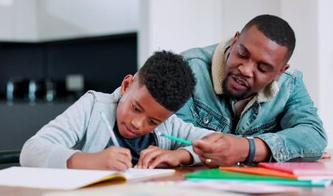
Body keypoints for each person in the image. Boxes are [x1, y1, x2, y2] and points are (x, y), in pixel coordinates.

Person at [20, 51, 214, 171]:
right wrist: (90, 161)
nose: (137, 124)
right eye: (136, 108)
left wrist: (179, 155)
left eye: (153, 122)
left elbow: (217, 145)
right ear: (126, 85)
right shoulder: (93, 106)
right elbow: (31, 151)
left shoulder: (169, 124)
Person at [176, 14, 327, 167]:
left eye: (262, 68)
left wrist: (247, 149)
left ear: (279, 72)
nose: (245, 70)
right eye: (242, 54)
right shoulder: (187, 68)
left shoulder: (289, 83)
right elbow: (175, 139)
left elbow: (314, 136)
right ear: (235, 41)